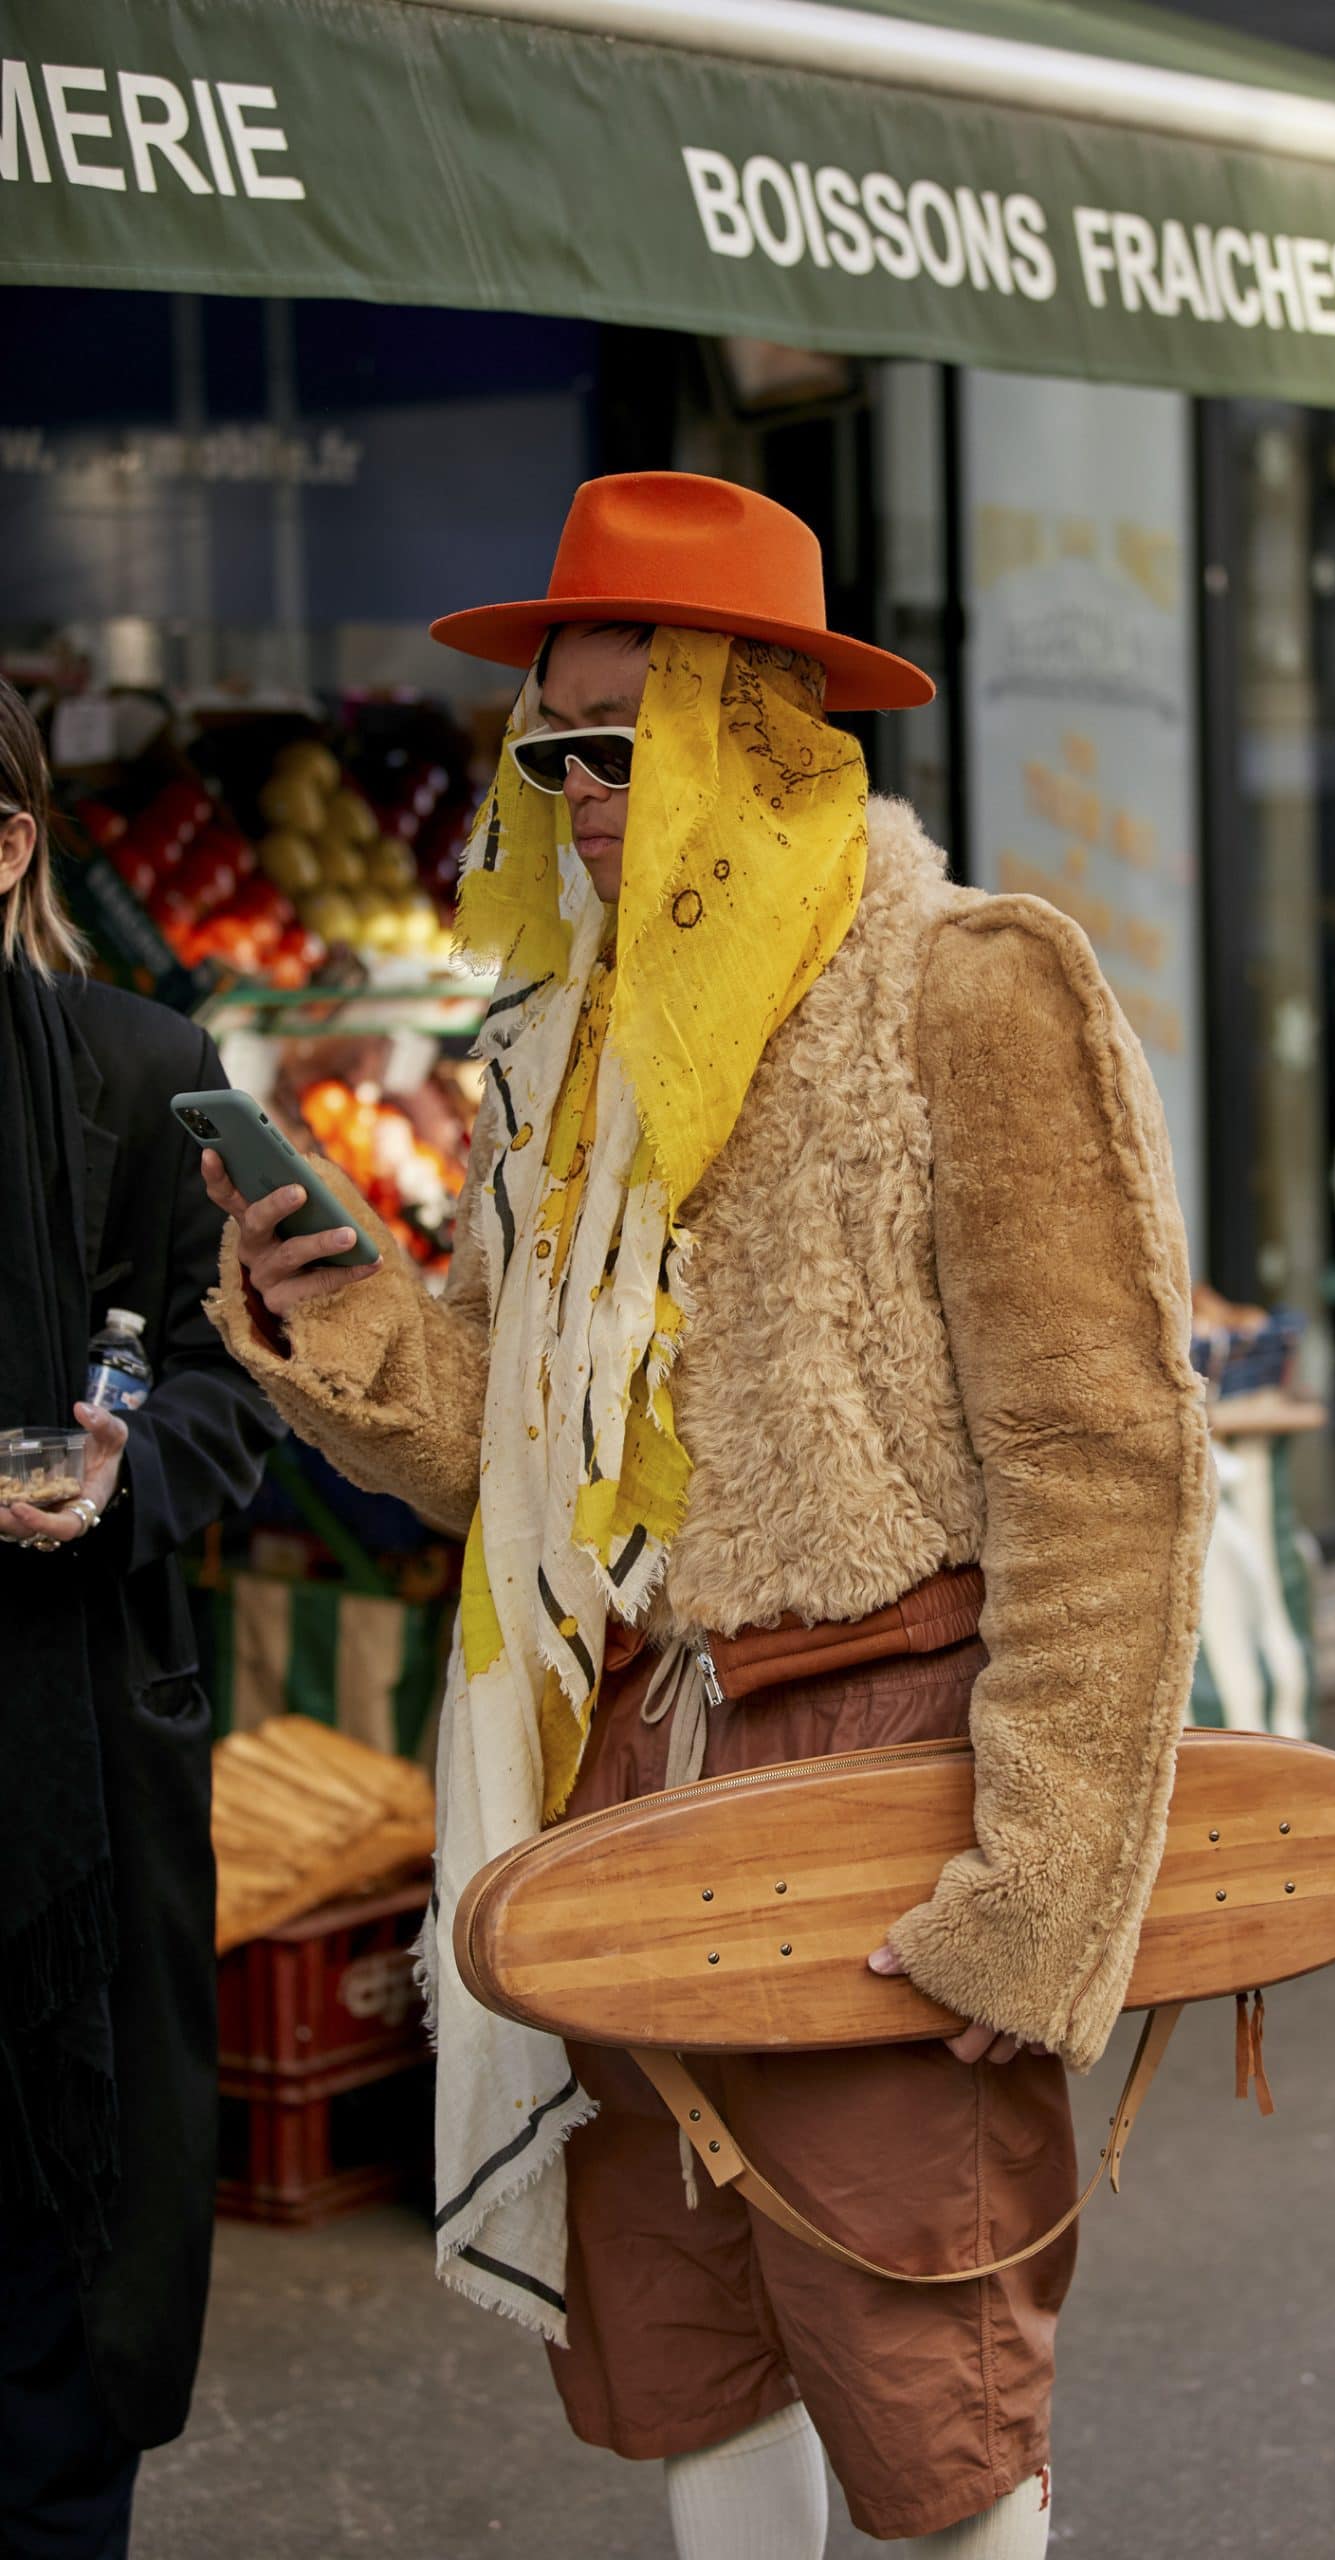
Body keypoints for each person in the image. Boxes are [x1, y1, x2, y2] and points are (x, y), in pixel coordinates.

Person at [203, 473, 1213, 2553]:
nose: (567, 782)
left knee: (923, 2368)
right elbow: (506, 1440)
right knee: (682, 2343)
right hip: (623, 1751)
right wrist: (352, 1328)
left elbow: (1104, 1462)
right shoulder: (557, 1055)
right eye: (546, 741)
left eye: (613, 737)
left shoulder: (961, 984)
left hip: (877, 1755)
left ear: (755, 729)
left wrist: (1039, 1890)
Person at [0, 678, 281, 2558]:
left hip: (64, 1776)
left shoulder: (130, 1073)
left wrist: (124, 1477)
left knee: (50, 2299)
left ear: (8, 843)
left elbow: (231, 1378)